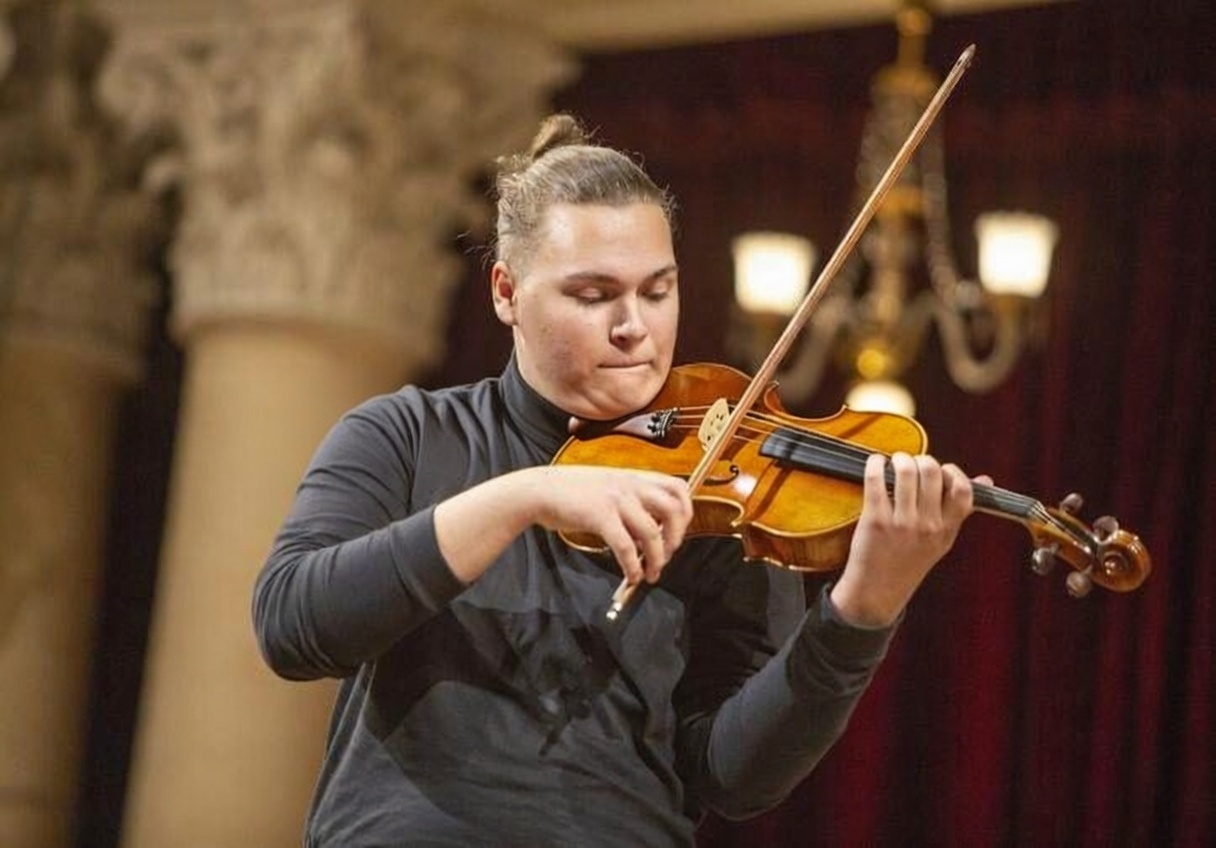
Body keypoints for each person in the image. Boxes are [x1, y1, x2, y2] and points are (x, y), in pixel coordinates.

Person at [253, 113, 985, 847]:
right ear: (507, 292)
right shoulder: (406, 436)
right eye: (594, 296)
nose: (636, 327)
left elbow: (734, 777)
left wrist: (861, 611)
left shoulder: (726, 487)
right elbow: (295, 626)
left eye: (657, 290)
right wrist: (525, 496)